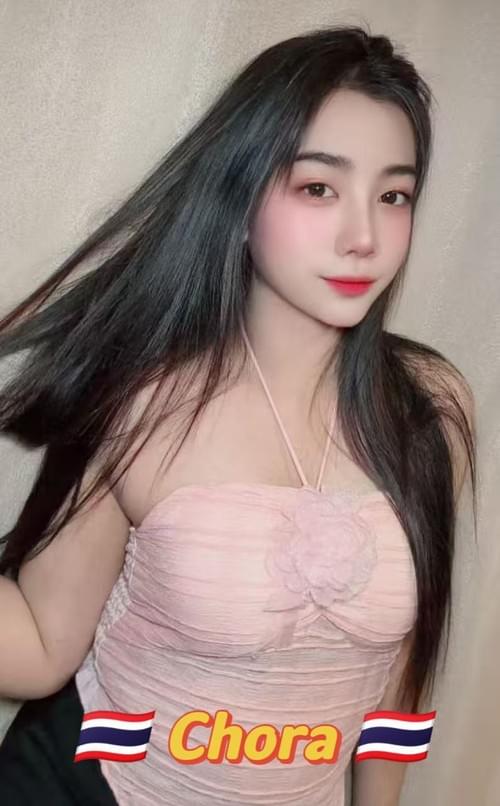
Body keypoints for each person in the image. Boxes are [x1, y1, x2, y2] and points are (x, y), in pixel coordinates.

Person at [0, 22, 477, 806]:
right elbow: (45, 645)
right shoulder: (144, 401)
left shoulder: (430, 408)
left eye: (393, 195)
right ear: (241, 193)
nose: (364, 237)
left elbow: (399, 671)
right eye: (318, 188)